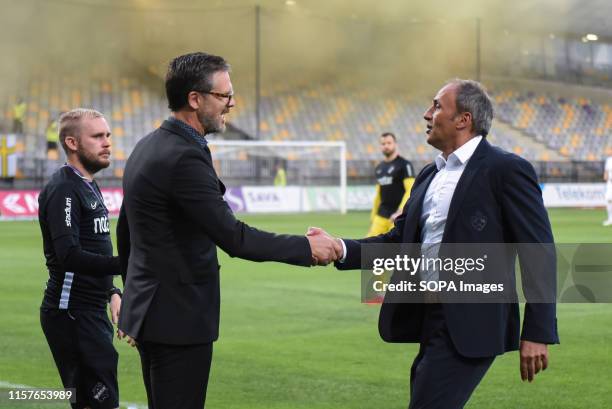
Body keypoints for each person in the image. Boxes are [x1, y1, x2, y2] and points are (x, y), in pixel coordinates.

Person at [309, 79, 559, 409]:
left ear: (463, 119)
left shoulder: (506, 169)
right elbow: (398, 242)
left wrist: (538, 330)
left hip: (472, 323)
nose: (427, 114)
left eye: (437, 106)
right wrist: (340, 248)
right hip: (428, 317)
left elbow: (538, 250)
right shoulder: (429, 175)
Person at [116, 52, 340, 409]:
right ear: (195, 98)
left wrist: (133, 303)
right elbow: (233, 237)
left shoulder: (148, 145)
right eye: (224, 96)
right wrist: (306, 248)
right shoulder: (183, 156)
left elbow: (126, 230)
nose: (232, 104)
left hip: (154, 314)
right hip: (178, 320)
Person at [37, 109, 122, 409]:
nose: (107, 142)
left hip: (91, 310)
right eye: (98, 136)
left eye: (108, 135)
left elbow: (97, 245)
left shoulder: (89, 184)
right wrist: (127, 264)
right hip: (71, 313)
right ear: (72, 143)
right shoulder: (64, 189)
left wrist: (111, 290)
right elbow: (69, 255)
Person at [367, 132, 415, 236]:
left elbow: (410, 190)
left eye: (389, 143)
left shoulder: (405, 165)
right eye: (383, 144)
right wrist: (373, 217)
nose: (386, 146)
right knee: (368, 247)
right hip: (381, 215)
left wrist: (400, 211)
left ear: (395, 144)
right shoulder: (379, 168)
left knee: (392, 249)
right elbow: (378, 195)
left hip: (397, 216)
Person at [603, 156, 612, 226]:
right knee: (608, 200)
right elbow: (606, 171)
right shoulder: (609, 160)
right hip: (610, 182)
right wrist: (605, 177)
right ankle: (610, 219)